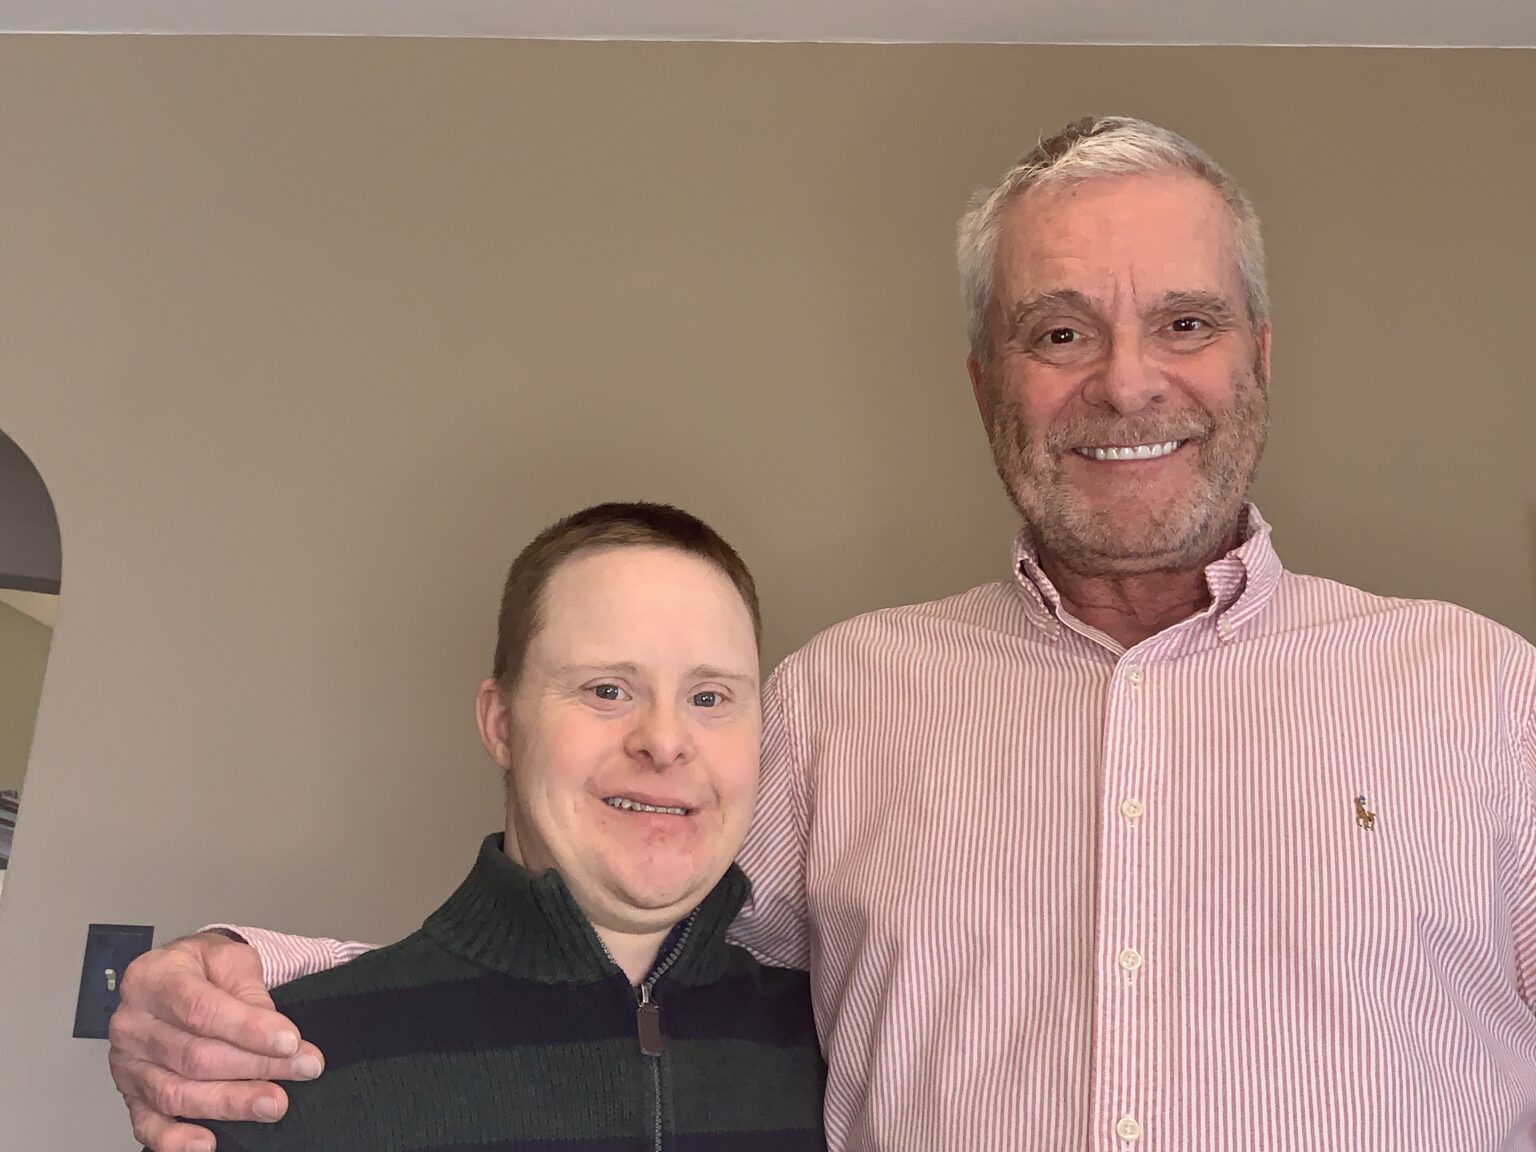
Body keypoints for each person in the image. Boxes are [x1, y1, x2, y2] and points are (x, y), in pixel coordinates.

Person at [111, 116, 1536, 1151]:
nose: (1126, 382)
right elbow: (603, 952)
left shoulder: (1482, 697)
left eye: (1182, 322)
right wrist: (247, 976)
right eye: (1059, 334)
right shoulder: (842, 699)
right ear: (988, 381)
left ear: (1259, 357)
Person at [145, 502, 826, 1152]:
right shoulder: (271, 1078)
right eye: (607, 690)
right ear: (501, 724)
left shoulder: (841, 1058)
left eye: (710, 697)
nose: (665, 741)